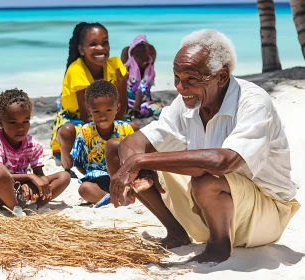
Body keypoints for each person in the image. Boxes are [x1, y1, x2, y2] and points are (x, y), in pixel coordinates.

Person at [106, 29, 301, 264]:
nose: (179, 87)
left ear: (221, 77)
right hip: (210, 207)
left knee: (206, 177)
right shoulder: (189, 100)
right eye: (176, 77)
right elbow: (134, 142)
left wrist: (141, 162)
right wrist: (139, 168)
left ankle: (219, 246)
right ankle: (177, 233)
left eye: (190, 79)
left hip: (264, 216)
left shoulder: (254, 102)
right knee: (118, 150)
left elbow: (224, 161)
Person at [50, 22, 129, 172]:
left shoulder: (116, 64)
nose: (100, 48)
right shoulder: (76, 69)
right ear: (81, 49)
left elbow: (121, 114)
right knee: (67, 132)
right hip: (78, 119)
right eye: (93, 44)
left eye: (104, 43)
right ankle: (70, 167)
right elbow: (87, 116)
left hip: (106, 117)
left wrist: (122, 85)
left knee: (133, 128)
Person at [0, 89, 71, 217]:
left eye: (26, 121)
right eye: (13, 122)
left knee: (64, 176)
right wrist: (29, 177)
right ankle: (16, 210)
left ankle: (34, 207)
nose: (20, 128)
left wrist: (32, 184)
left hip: (22, 189)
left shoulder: (33, 144)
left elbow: (40, 176)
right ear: (1, 122)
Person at [70, 80, 134, 207]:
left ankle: (118, 197)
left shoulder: (125, 129)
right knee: (84, 188)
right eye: (97, 111)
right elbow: (79, 163)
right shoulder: (85, 132)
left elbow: (133, 158)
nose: (103, 116)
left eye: (108, 110)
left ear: (118, 108)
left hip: (122, 178)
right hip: (98, 181)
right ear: (89, 111)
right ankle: (113, 199)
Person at [121, 34, 163, 121]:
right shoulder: (128, 67)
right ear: (133, 58)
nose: (144, 62)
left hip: (143, 104)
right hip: (127, 103)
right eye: (141, 59)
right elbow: (121, 86)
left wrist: (137, 106)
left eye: (145, 59)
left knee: (161, 109)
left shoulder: (149, 68)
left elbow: (142, 88)